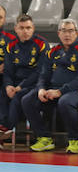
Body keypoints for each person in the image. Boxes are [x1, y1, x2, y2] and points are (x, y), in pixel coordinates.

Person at [22, 18, 78, 153]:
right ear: (58, 33)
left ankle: (75, 140)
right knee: (28, 100)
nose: (67, 34)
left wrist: (60, 91)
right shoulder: (52, 52)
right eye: (63, 31)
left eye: (71, 31)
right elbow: (43, 75)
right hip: (54, 91)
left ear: (76, 33)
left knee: (65, 102)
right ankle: (44, 138)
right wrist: (41, 89)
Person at [0, 14, 48, 144]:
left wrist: (19, 87)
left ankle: (6, 129)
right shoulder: (10, 45)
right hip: (15, 83)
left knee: (18, 97)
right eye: (21, 28)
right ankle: (2, 129)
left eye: (28, 28)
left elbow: (40, 72)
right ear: (16, 29)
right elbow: (8, 71)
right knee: (3, 93)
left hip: (34, 84)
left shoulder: (42, 44)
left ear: (33, 28)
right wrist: (8, 85)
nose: (25, 31)